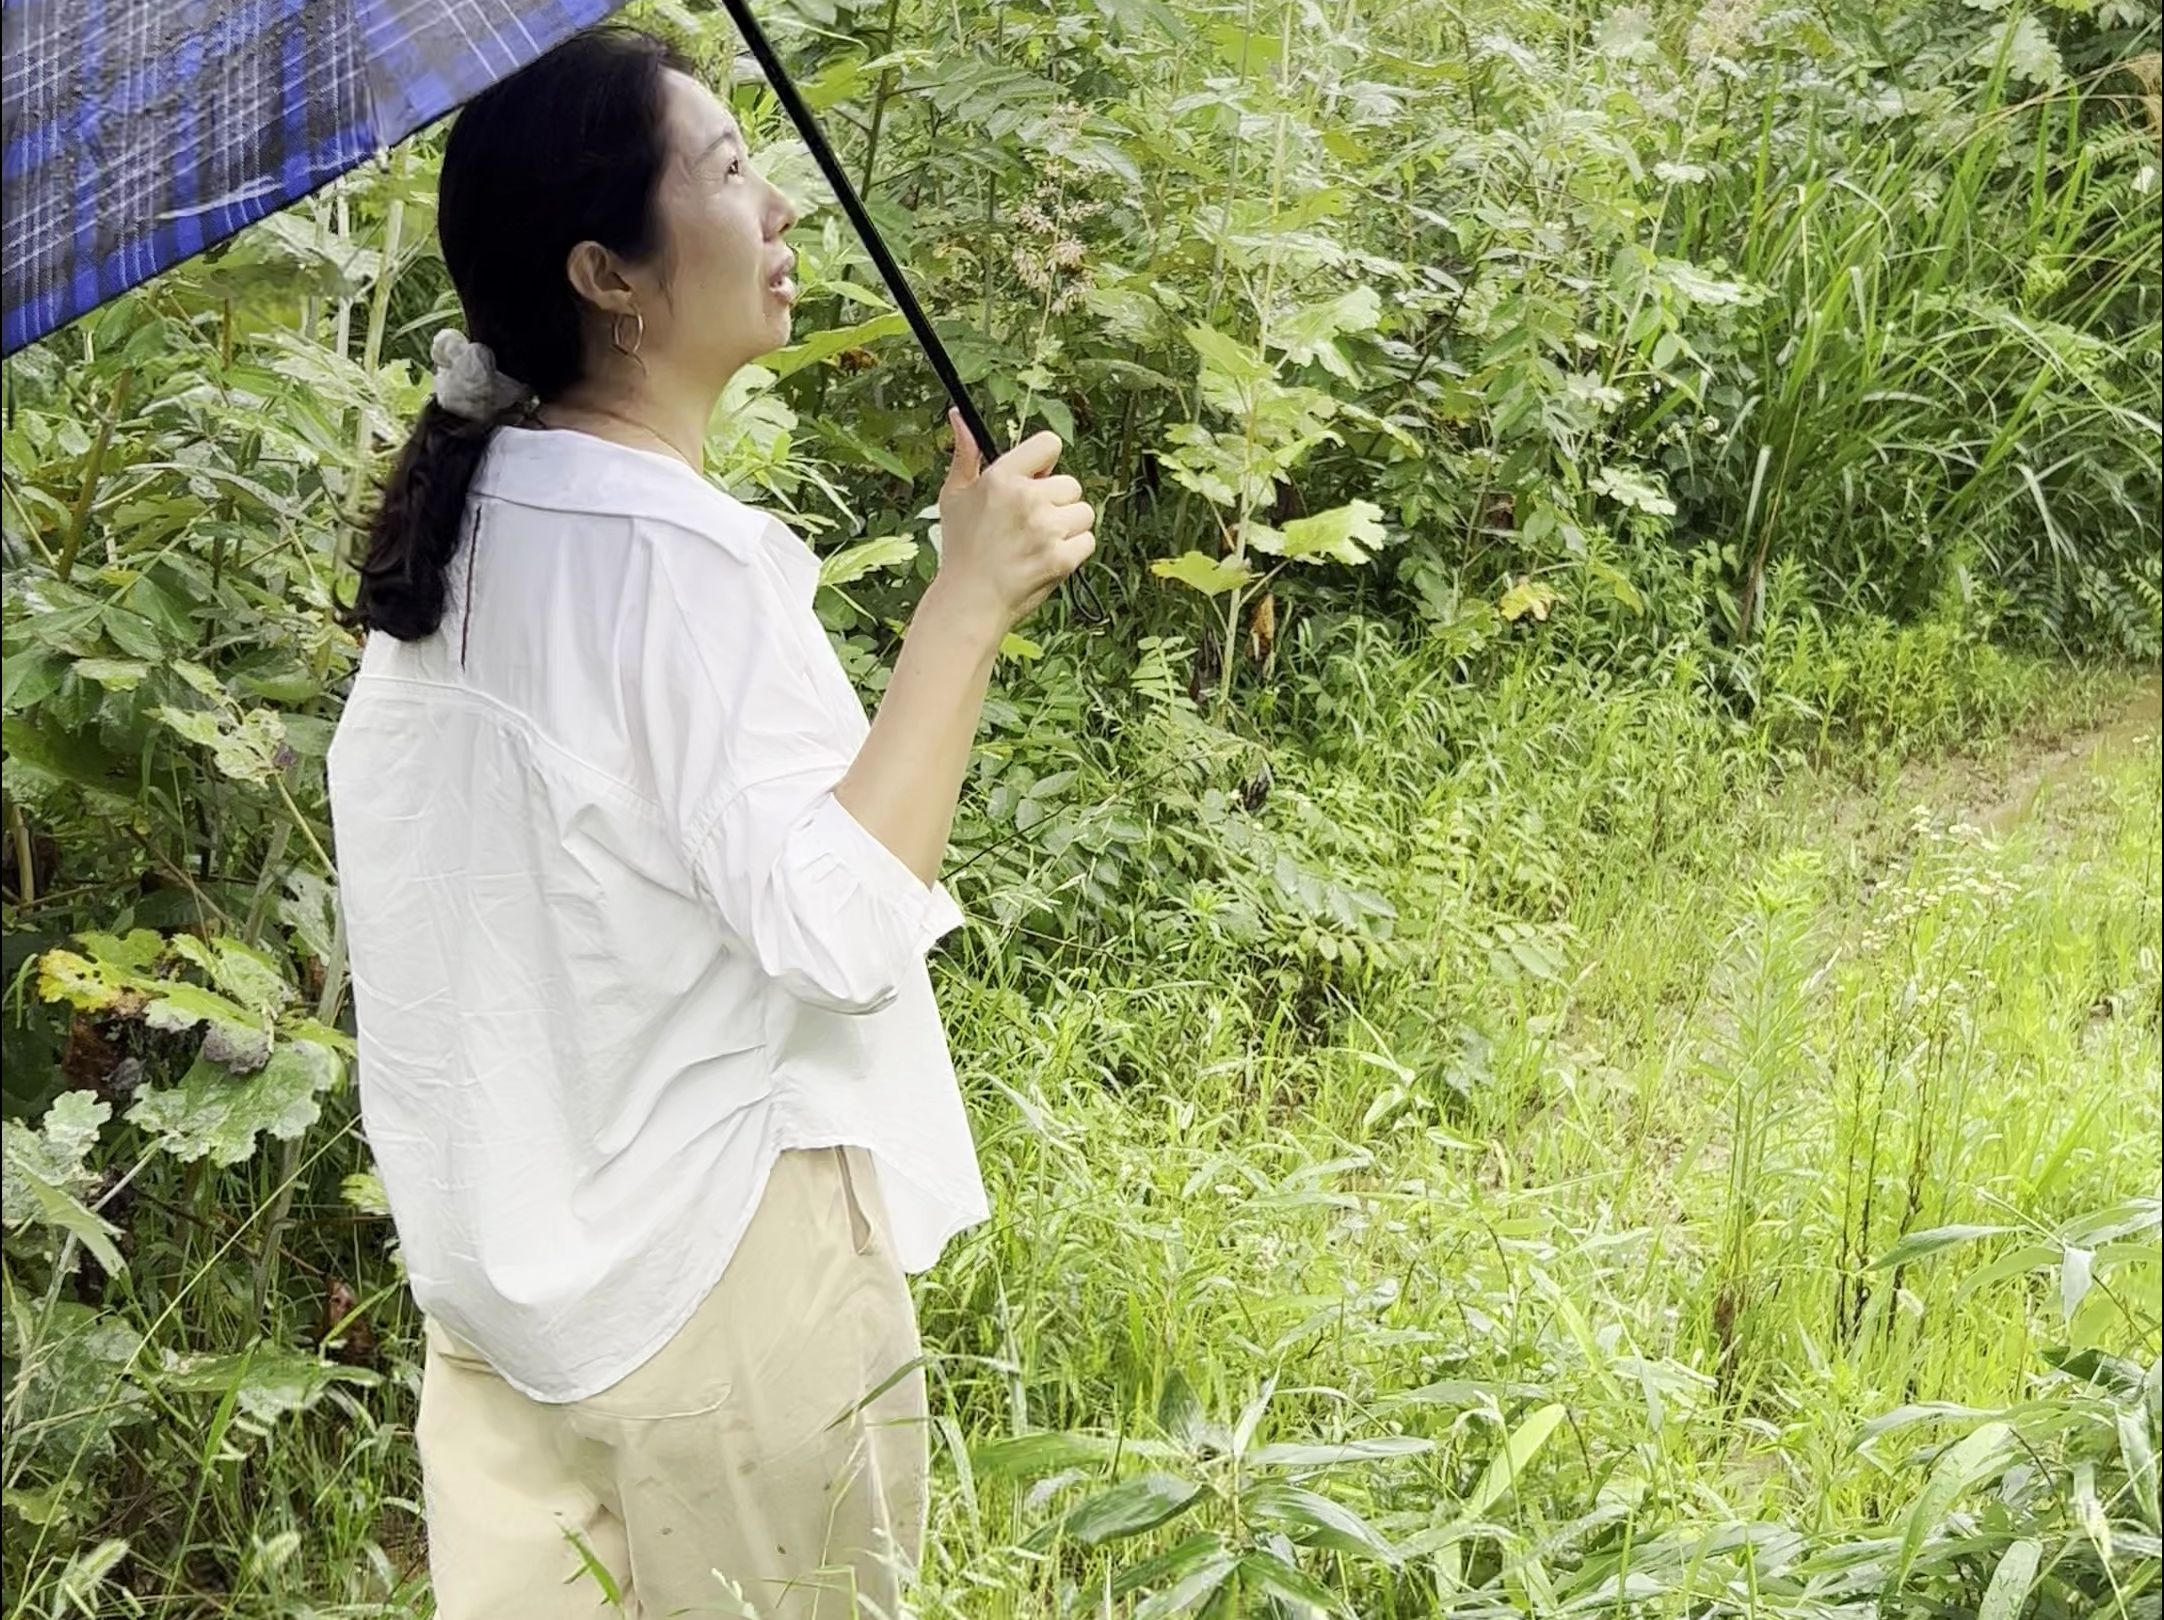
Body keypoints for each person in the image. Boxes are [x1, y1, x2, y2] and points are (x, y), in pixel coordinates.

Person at [324, 26, 1093, 1619]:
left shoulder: (465, 542)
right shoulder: (676, 560)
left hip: (504, 1298)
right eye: (731, 171)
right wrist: (969, 604)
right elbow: (831, 927)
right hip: (724, 1288)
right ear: (611, 274)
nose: (781, 206)